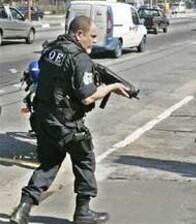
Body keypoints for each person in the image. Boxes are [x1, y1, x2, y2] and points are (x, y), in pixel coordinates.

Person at [10, 16, 130, 224]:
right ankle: (83, 212)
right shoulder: (80, 58)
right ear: (79, 34)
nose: (93, 41)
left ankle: (22, 209)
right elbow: (87, 97)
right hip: (67, 124)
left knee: (49, 163)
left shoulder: (51, 49)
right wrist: (112, 87)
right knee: (85, 161)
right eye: (91, 37)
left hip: (43, 119)